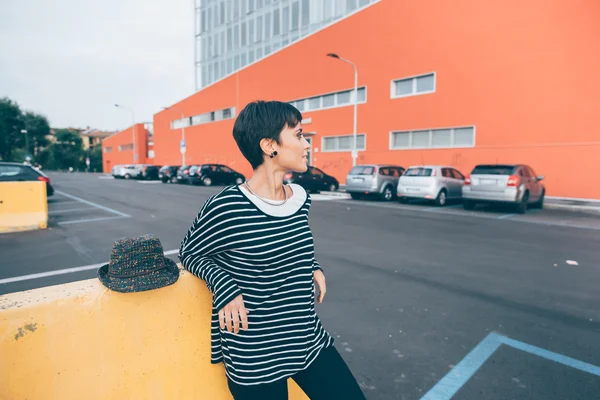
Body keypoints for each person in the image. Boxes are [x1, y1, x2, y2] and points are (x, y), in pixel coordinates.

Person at [179, 101, 366, 400]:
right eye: (299, 135)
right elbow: (190, 253)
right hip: (255, 354)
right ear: (269, 146)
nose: (306, 145)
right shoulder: (227, 206)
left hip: (306, 337)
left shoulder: (300, 198)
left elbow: (292, 243)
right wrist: (225, 286)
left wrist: (312, 265)